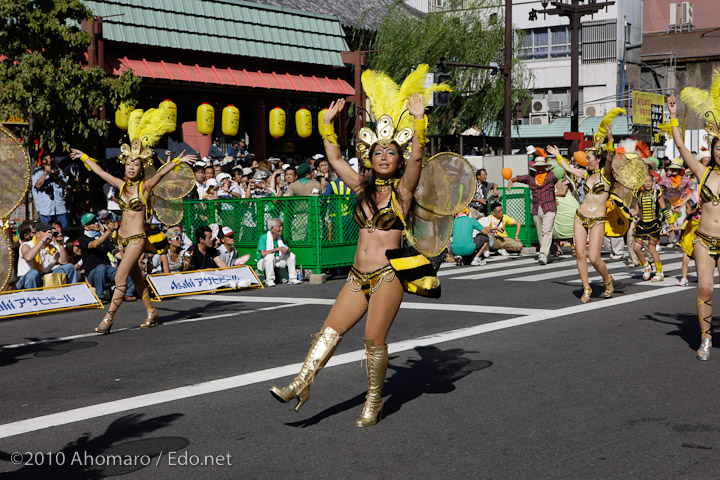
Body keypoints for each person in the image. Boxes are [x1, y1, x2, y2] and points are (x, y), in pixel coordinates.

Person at [270, 88, 430, 428]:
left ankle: (374, 400)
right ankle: (302, 383)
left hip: (388, 275)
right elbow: (335, 160)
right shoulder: (361, 188)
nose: (384, 156)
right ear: (370, 158)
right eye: (378, 152)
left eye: (391, 152)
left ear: (398, 159)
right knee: (329, 331)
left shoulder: (403, 194)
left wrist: (419, 120)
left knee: (373, 340)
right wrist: (327, 125)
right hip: (357, 276)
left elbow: (417, 158)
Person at [70, 126, 196, 334]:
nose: (131, 167)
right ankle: (151, 312)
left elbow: (162, 173)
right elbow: (100, 171)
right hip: (123, 239)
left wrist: (176, 161)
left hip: (138, 238)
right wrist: (84, 157)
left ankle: (108, 318)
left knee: (120, 278)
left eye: (136, 164)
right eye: (128, 163)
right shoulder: (120, 185)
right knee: (137, 278)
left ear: (141, 168)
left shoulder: (144, 187)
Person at [507, 152, 557, 265]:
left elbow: (560, 175)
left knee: (547, 231)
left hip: (549, 206)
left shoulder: (551, 176)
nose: (539, 169)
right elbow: (519, 178)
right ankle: (546, 254)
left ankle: (543, 253)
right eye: (537, 167)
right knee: (540, 233)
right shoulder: (531, 177)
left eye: (541, 166)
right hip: (536, 208)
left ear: (545, 166)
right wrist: (510, 181)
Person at [78, 212, 137, 302]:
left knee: (126, 268)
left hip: (108, 269)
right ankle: (100, 296)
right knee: (101, 268)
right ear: (86, 227)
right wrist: (108, 231)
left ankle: (128, 293)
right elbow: (94, 244)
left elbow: (116, 253)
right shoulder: (83, 238)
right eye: (93, 222)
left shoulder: (102, 237)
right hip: (92, 273)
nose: (96, 223)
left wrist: (126, 256)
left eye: (96, 221)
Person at [631, 173, 671, 283]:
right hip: (642, 224)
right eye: (645, 181)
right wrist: (626, 214)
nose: (648, 183)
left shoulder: (657, 193)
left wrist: (670, 221)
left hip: (654, 224)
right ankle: (647, 266)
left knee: (652, 249)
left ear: (653, 182)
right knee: (636, 248)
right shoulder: (639, 194)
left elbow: (664, 209)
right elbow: (636, 211)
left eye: (650, 181)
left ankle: (659, 272)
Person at [15, 221, 77, 289]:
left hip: (45, 277)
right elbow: (28, 257)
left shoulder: (51, 248)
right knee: (33, 273)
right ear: (37, 234)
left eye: (50, 232)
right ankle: (33, 297)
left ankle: (73, 291)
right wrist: (42, 240)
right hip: (27, 279)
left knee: (69, 267)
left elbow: (64, 262)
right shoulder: (26, 245)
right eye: (46, 232)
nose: (49, 234)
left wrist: (60, 245)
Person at [256, 218, 301, 286]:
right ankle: (270, 280)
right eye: (279, 226)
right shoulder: (263, 238)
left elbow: (285, 248)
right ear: (272, 228)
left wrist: (286, 250)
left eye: (282, 226)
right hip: (264, 262)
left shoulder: (281, 237)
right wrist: (277, 249)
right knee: (270, 256)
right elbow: (263, 254)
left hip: (278, 260)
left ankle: (292, 278)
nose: (281, 229)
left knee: (291, 255)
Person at [31, 153, 69, 228]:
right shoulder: (37, 171)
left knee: (63, 228)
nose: (51, 160)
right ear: (43, 160)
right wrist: (45, 172)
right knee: (47, 229)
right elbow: (38, 185)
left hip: (59, 207)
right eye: (49, 158)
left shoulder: (58, 170)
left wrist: (56, 176)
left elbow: (64, 184)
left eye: (52, 158)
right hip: (45, 208)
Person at [669, 199, 700, 287]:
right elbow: (683, 227)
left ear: (694, 210)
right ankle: (684, 278)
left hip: (697, 242)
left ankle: (700, 277)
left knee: (698, 262)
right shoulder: (687, 218)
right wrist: (673, 228)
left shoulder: (699, 218)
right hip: (688, 242)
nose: (685, 210)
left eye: (687, 208)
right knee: (685, 261)